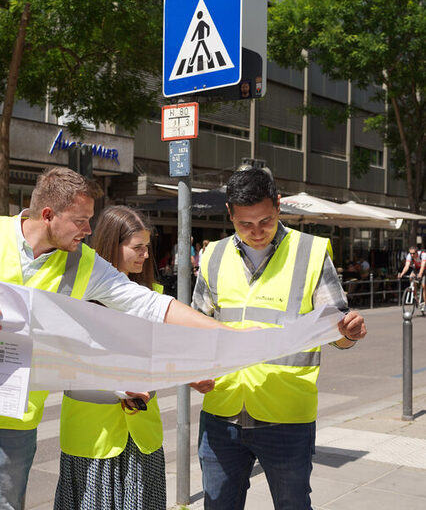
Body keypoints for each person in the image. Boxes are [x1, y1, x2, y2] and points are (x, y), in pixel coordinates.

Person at [0, 166, 245, 510]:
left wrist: (228, 336)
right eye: (80, 220)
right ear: (47, 214)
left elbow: (150, 303)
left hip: (15, 422)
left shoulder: (85, 263)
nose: (88, 230)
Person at [191, 168, 366, 510]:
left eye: (266, 221)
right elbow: (196, 326)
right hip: (221, 413)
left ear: (278, 205)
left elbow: (337, 332)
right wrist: (195, 370)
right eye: (245, 224)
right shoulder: (213, 256)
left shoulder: (311, 253)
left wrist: (348, 334)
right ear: (230, 213)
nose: (256, 232)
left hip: (286, 418)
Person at [55, 206, 166, 509]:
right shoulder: (77, 297)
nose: (145, 255)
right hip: (92, 438)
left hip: (142, 435)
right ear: (111, 245)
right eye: (138, 247)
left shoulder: (154, 296)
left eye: (147, 247)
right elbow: (67, 361)